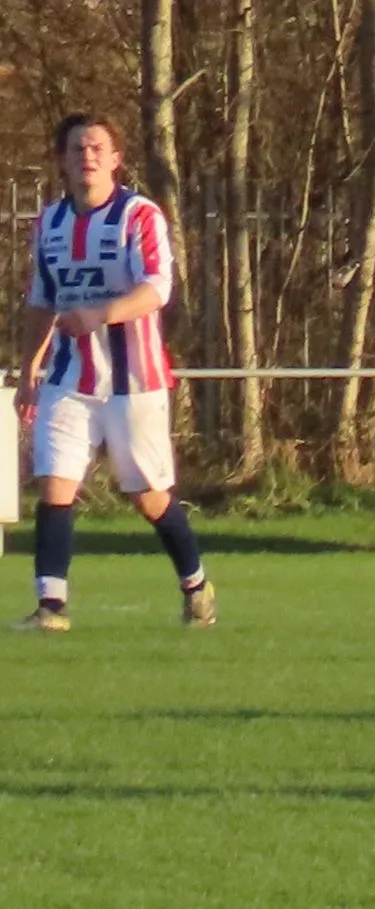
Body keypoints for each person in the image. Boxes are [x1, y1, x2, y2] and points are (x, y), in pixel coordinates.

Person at [18, 113, 215, 631]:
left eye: (97, 148)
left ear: (115, 159)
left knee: (146, 495)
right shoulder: (49, 223)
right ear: (62, 159)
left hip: (136, 381)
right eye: (77, 148)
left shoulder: (139, 215)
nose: (87, 156)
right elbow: (41, 302)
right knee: (55, 484)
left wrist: (101, 314)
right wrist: (27, 371)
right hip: (68, 379)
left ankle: (196, 584)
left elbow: (157, 289)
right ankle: (51, 607)